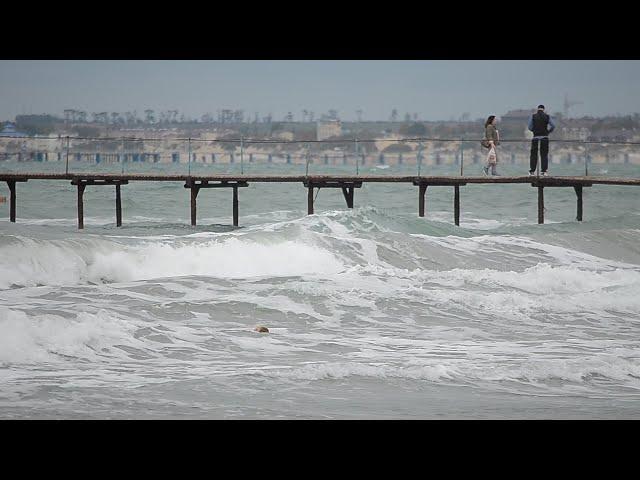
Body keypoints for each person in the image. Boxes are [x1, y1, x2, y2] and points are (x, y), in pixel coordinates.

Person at [528, 105, 556, 176]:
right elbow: (553, 125)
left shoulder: (533, 116)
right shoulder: (547, 116)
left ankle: (532, 171)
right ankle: (544, 171)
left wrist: (534, 130)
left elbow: (529, 127)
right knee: (544, 155)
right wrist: (548, 132)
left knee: (534, 155)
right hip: (544, 138)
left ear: (537, 109)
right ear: (544, 109)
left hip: (535, 137)